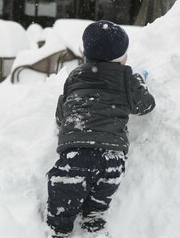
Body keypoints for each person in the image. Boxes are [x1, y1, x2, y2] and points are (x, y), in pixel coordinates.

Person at [46, 20, 156, 237]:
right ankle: (93, 224)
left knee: (62, 202)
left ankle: (60, 230)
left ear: (85, 53)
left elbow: (62, 113)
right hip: (112, 159)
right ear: (122, 58)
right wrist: (139, 83)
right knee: (97, 206)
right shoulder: (127, 79)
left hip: (75, 156)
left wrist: (65, 124)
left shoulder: (75, 76)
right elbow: (146, 105)